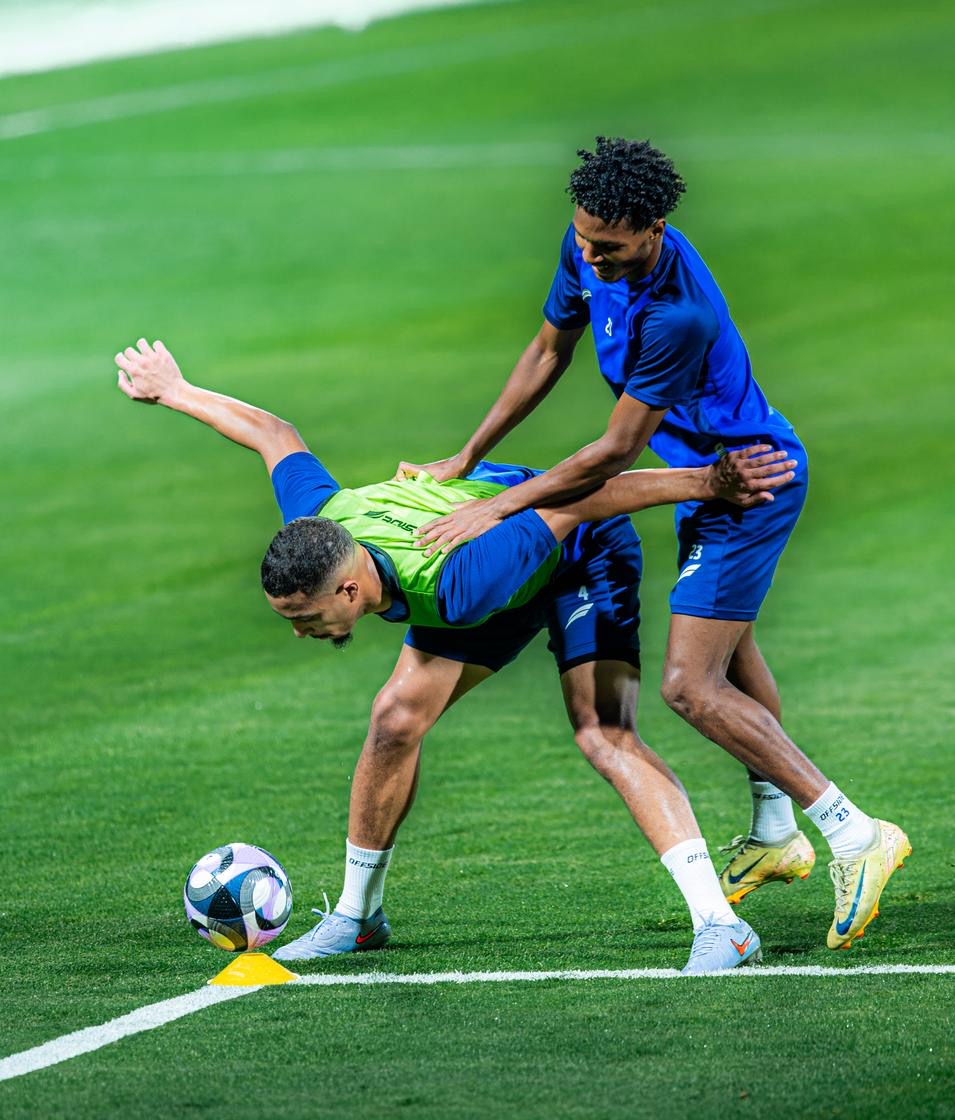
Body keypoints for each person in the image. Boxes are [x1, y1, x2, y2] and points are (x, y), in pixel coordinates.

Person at [115, 338, 795, 973]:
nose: (300, 632)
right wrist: (175, 390)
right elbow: (274, 434)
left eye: (306, 617)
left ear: (349, 590)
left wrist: (706, 482)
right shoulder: (321, 519)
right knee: (394, 720)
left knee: (603, 733)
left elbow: (585, 500)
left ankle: (722, 926)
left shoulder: (457, 583)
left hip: (577, 551)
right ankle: (357, 917)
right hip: (476, 571)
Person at [399, 137, 911, 952]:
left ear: (654, 230)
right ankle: (776, 832)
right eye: (583, 238)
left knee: (688, 686)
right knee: (731, 656)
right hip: (699, 478)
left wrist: (499, 507)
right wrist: (466, 456)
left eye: (608, 246)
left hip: (746, 484)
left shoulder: (678, 314)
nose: (590, 257)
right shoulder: (589, 246)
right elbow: (546, 350)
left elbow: (612, 452)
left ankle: (854, 833)